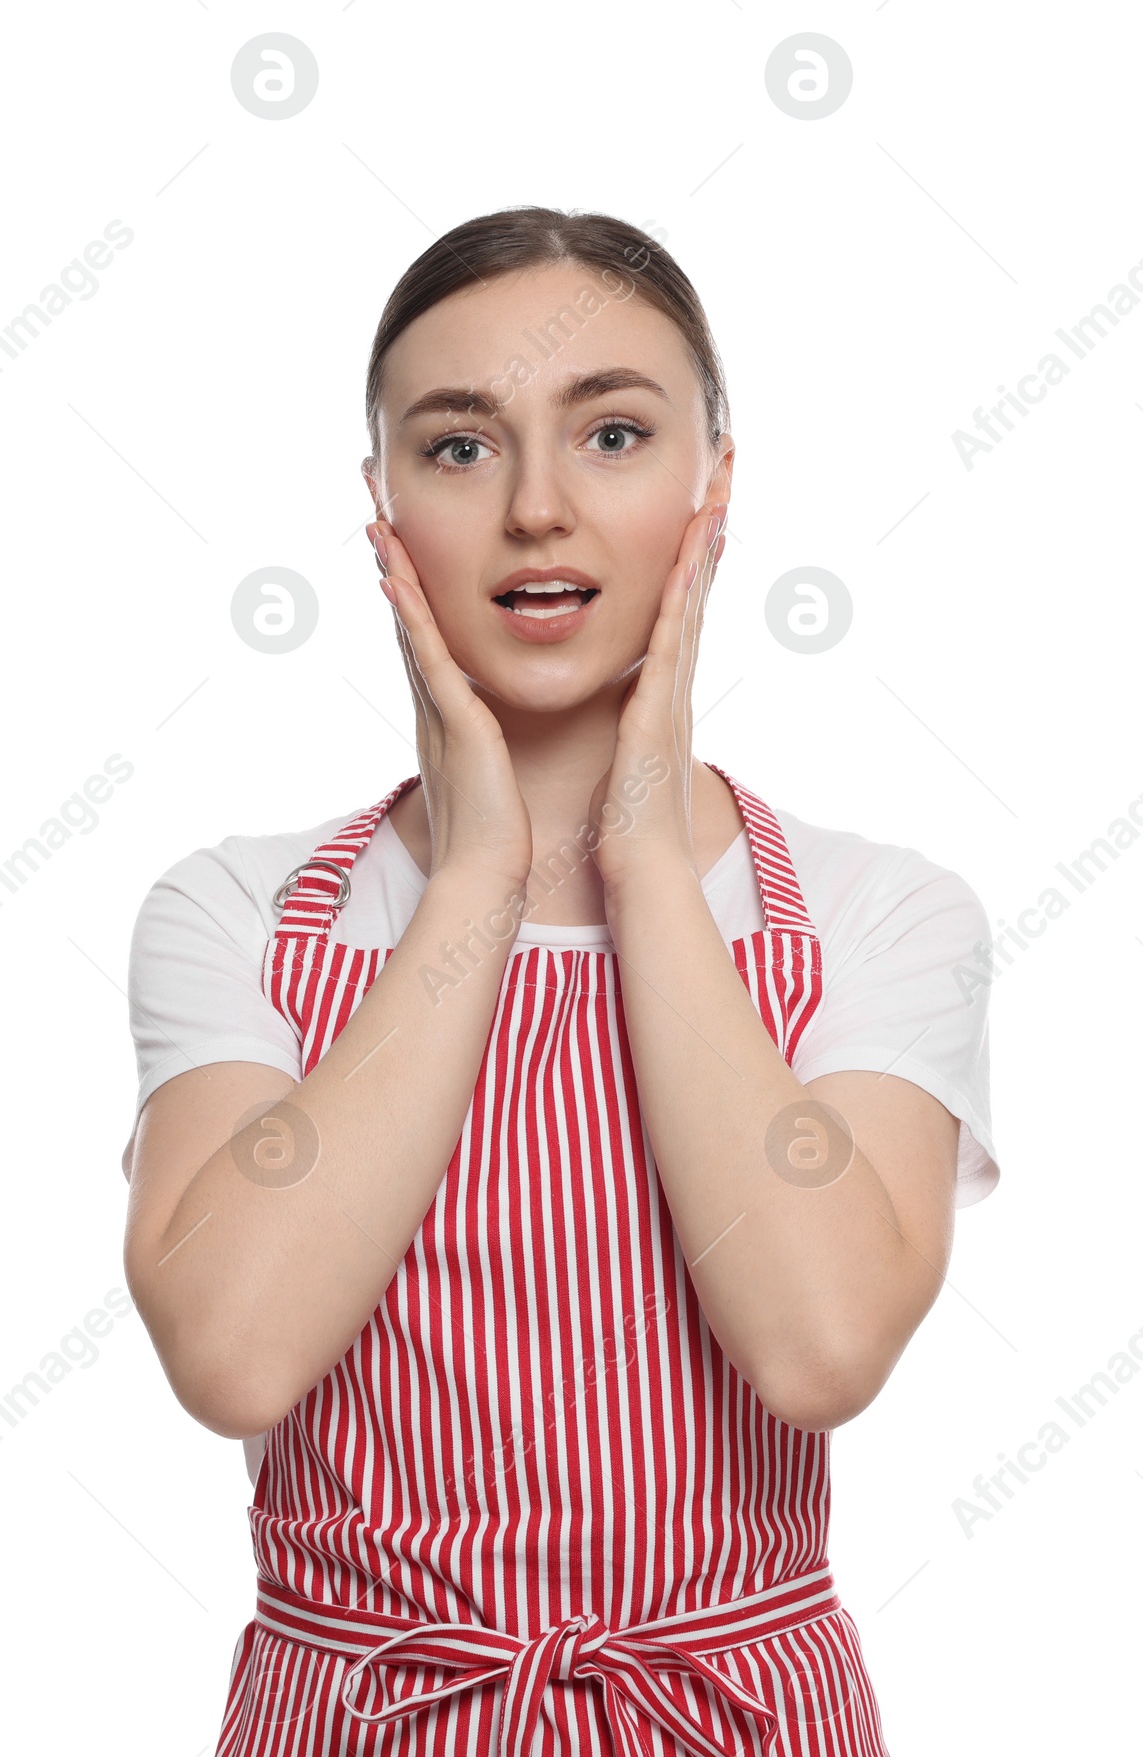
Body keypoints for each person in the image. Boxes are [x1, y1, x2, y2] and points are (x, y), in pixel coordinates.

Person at [121, 205, 1001, 1757]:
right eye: (459, 448)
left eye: (612, 432)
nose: (539, 507)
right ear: (381, 507)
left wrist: (645, 863)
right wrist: (474, 877)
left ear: (714, 485)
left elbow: (820, 1345)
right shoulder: (236, 912)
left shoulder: (883, 912)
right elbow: (236, 1351)